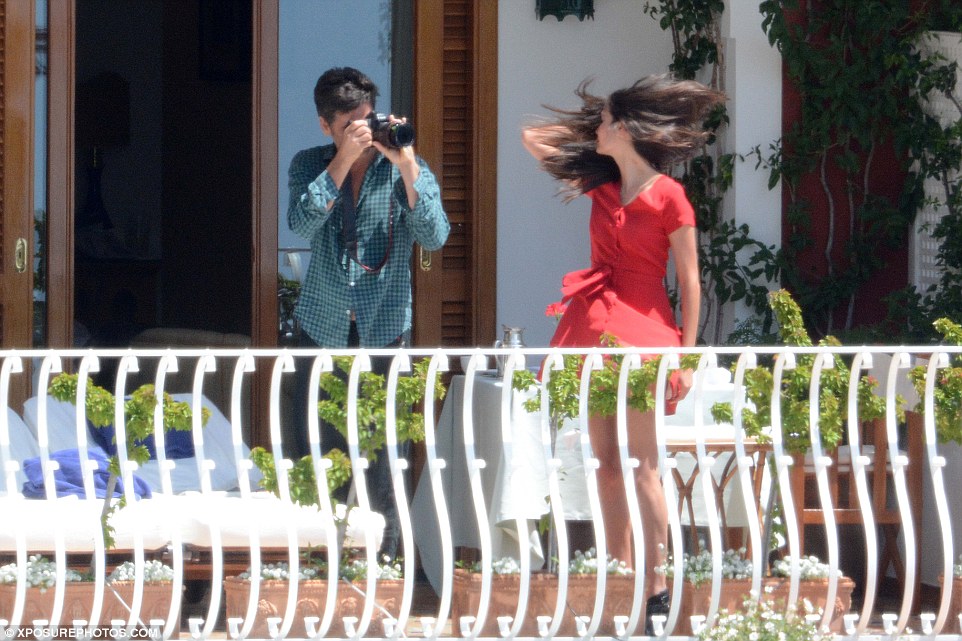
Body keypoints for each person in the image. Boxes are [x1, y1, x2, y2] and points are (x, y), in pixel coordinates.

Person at [521, 74, 723, 633]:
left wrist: (683, 357)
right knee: (606, 464)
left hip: (646, 332)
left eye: (609, 120)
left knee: (644, 468)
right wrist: (596, 126)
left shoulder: (669, 195)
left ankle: (657, 584)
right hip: (596, 330)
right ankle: (619, 571)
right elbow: (532, 137)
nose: (601, 128)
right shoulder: (601, 185)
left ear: (629, 129)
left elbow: (691, 282)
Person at [288, 67, 449, 559]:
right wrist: (343, 160)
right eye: (349, 127)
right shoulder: (309, 164)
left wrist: (405, 165)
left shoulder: (403, 166)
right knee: (321, 458)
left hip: (384, 332)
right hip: (322, 331)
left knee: (387, 467)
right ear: (326, 126)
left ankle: (389, 575)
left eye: (367, 121)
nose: (362, 133)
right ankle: (320, 570)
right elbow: (300, 222)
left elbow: (435, 235)